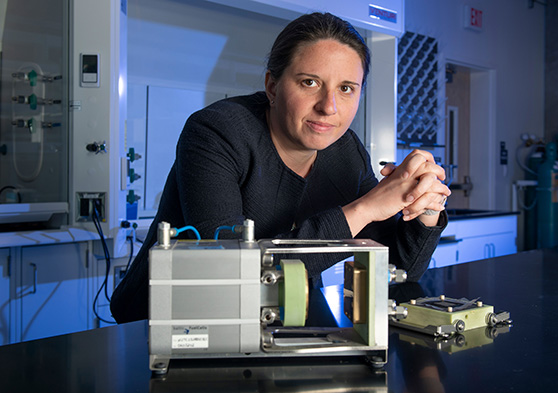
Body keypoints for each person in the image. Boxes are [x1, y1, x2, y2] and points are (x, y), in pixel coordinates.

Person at [110, 12, 451, 324]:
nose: (329, 107)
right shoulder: (215, 132)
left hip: (280, 320)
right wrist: (364, 209)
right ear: (272, 86)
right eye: (310, 82)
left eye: (346, 89)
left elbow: (399, 270)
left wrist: (424, 206)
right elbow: (231, 276)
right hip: (168, 323)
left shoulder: (346, 153)